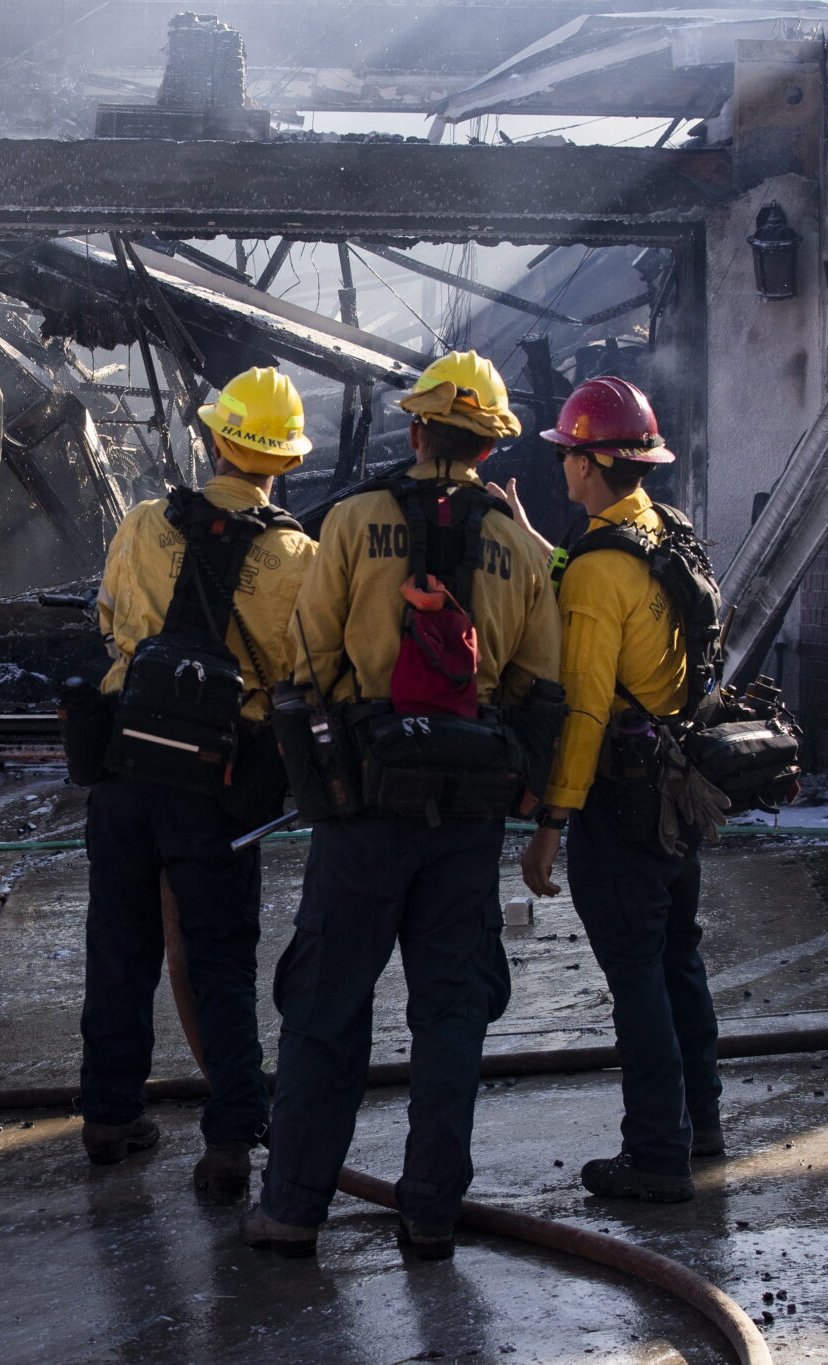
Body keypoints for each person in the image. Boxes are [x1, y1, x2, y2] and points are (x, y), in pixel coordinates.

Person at [243, 352, 562, 1260]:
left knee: (325, 1006)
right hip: (467, 820)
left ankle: (292, 1209)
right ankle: (431, 1213)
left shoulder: (350, 521)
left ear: (417, 430)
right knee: (452, 1014)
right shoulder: (520, 548)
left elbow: (306, 660)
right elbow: (542, 687)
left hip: (362, 809)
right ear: (490, 447)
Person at [79, 366, 318, 1204]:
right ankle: (231, 1140)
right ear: (283, 459)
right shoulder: (299, 557)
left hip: (125, 766)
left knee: (119, 947)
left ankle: (109, 1117)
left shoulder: (146, 521)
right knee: (218, 960)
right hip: (217, 782)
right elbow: (303, 675)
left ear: (216, 438)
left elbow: (108, 621)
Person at [518, 376, 721, 1204]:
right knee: (678, 959)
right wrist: (536, 543)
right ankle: (701, 1124)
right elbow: (604, 586)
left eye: (567, 454)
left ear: (589, 463)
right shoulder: (664, 531)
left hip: (622, 804)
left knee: (636, 976)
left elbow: (585, 709)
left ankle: (656, 1154)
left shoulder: (598, 570)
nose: (562, 466)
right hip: (679, 788)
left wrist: (551, 821)